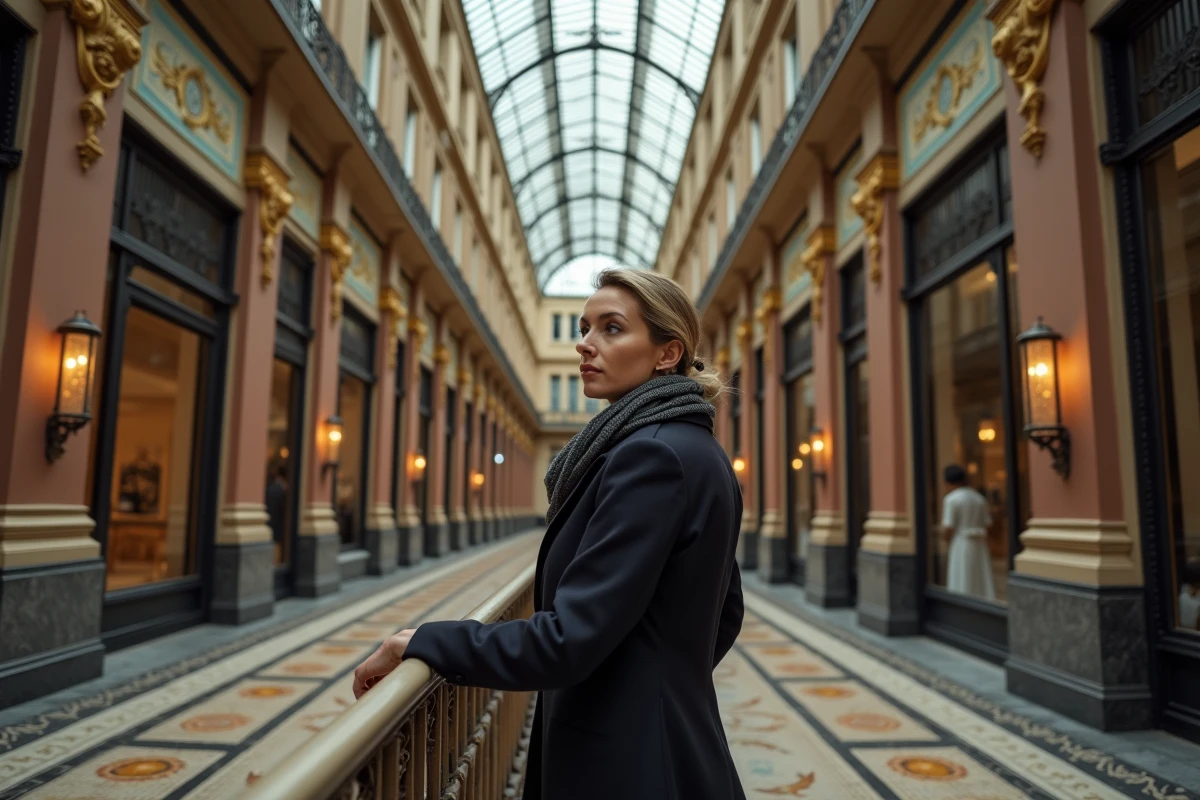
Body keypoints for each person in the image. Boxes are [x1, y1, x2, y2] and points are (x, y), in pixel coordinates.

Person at [352, 268, 746, 800]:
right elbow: (726, 612)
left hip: (626, 764)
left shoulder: (649, 457)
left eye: (611, 328)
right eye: (583, 328)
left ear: (667, 353)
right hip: (673, 741)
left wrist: (421, 642)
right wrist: (660, 678)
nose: (585, 344)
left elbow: (568, 638)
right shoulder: (698, 450)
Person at [940, 463, 995, 600]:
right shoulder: (979, 498)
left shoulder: (951, 499)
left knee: (961, 576)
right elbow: (988, 524)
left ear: (948, 481)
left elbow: (948, 527)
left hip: (961, 542)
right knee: (979, 576)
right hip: (979, 543)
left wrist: (945, 540)